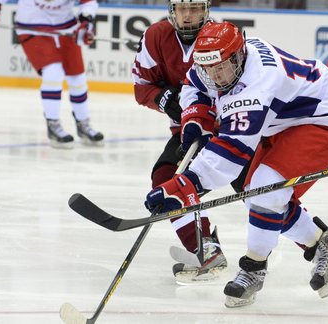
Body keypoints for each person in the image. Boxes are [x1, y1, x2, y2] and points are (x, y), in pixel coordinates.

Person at [144, 21, 328, 308]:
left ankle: (253, 268)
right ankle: (326, 245)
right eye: (208, 68)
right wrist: (195, 118)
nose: (215, 75)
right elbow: (193, 84)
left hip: (324, 119)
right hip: (284, 118)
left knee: (264, 191)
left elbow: (231, 155)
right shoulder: (220, 58)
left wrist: (185, 184)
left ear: (238, 57)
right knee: (257, 195)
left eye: (221, 67)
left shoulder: (256, 85)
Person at [132, 0, 231, 284]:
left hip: (233, 130)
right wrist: (162, 99)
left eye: (196, 8)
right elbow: (142, 88)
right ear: (172, 10)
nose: (189, 15)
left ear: (206, 9)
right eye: (182, 8)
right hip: (185, 132)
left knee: (258, 186)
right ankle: (205, 249)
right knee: (166, 178)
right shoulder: (155, 36)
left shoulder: (221, 36)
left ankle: (317, 242)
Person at [0, 0, 104, 149]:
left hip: (66, 26)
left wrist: (86, 20)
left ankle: (83, 123)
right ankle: (53, 125)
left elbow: (88, 2)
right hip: (31, 27)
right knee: (53, 72)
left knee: (77, 77)